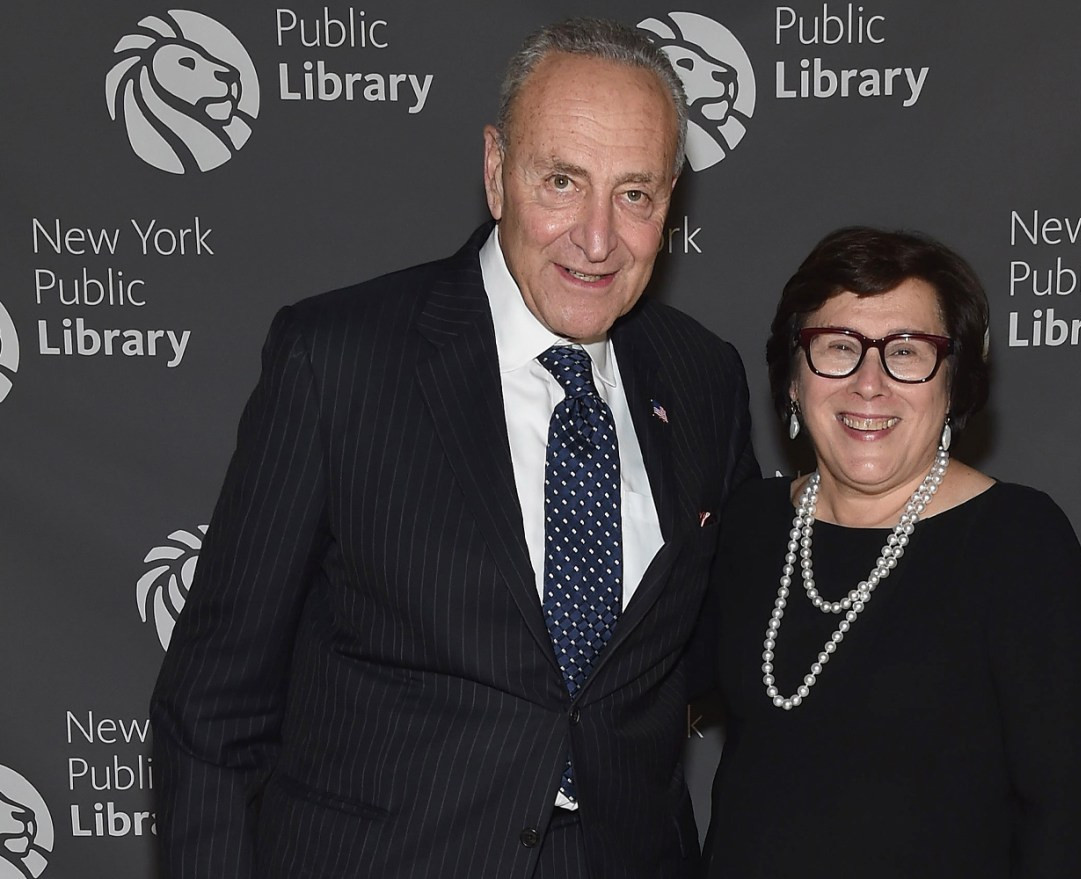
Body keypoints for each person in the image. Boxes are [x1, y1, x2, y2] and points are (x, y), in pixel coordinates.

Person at [150, 18, 757, 879]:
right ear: (496, 171)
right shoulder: (339, 361)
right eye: (561, 181)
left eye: (635, 194)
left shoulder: (702, 379)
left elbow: (718, 651)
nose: (596, 238)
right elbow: (210, 710)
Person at [701, 227, 1081, 878]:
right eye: (838, 346)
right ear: (792, 379)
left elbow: (1065, 825)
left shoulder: (1017, 542)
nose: (870, 383)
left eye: (906, 352)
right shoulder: (748, 524)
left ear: (953, 384)